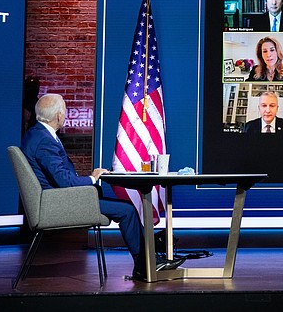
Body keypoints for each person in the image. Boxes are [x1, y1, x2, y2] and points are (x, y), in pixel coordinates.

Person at [19, 94, 184, 280]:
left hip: (59, 198)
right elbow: (64, 181)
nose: (65, 115)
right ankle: (145, 263)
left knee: (117, 204)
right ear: (58, 115)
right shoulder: (44, 141)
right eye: (64, 111)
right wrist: (92, 178)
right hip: (59, 203)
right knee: (127, 210)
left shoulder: (35, 134)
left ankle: (147, 259)